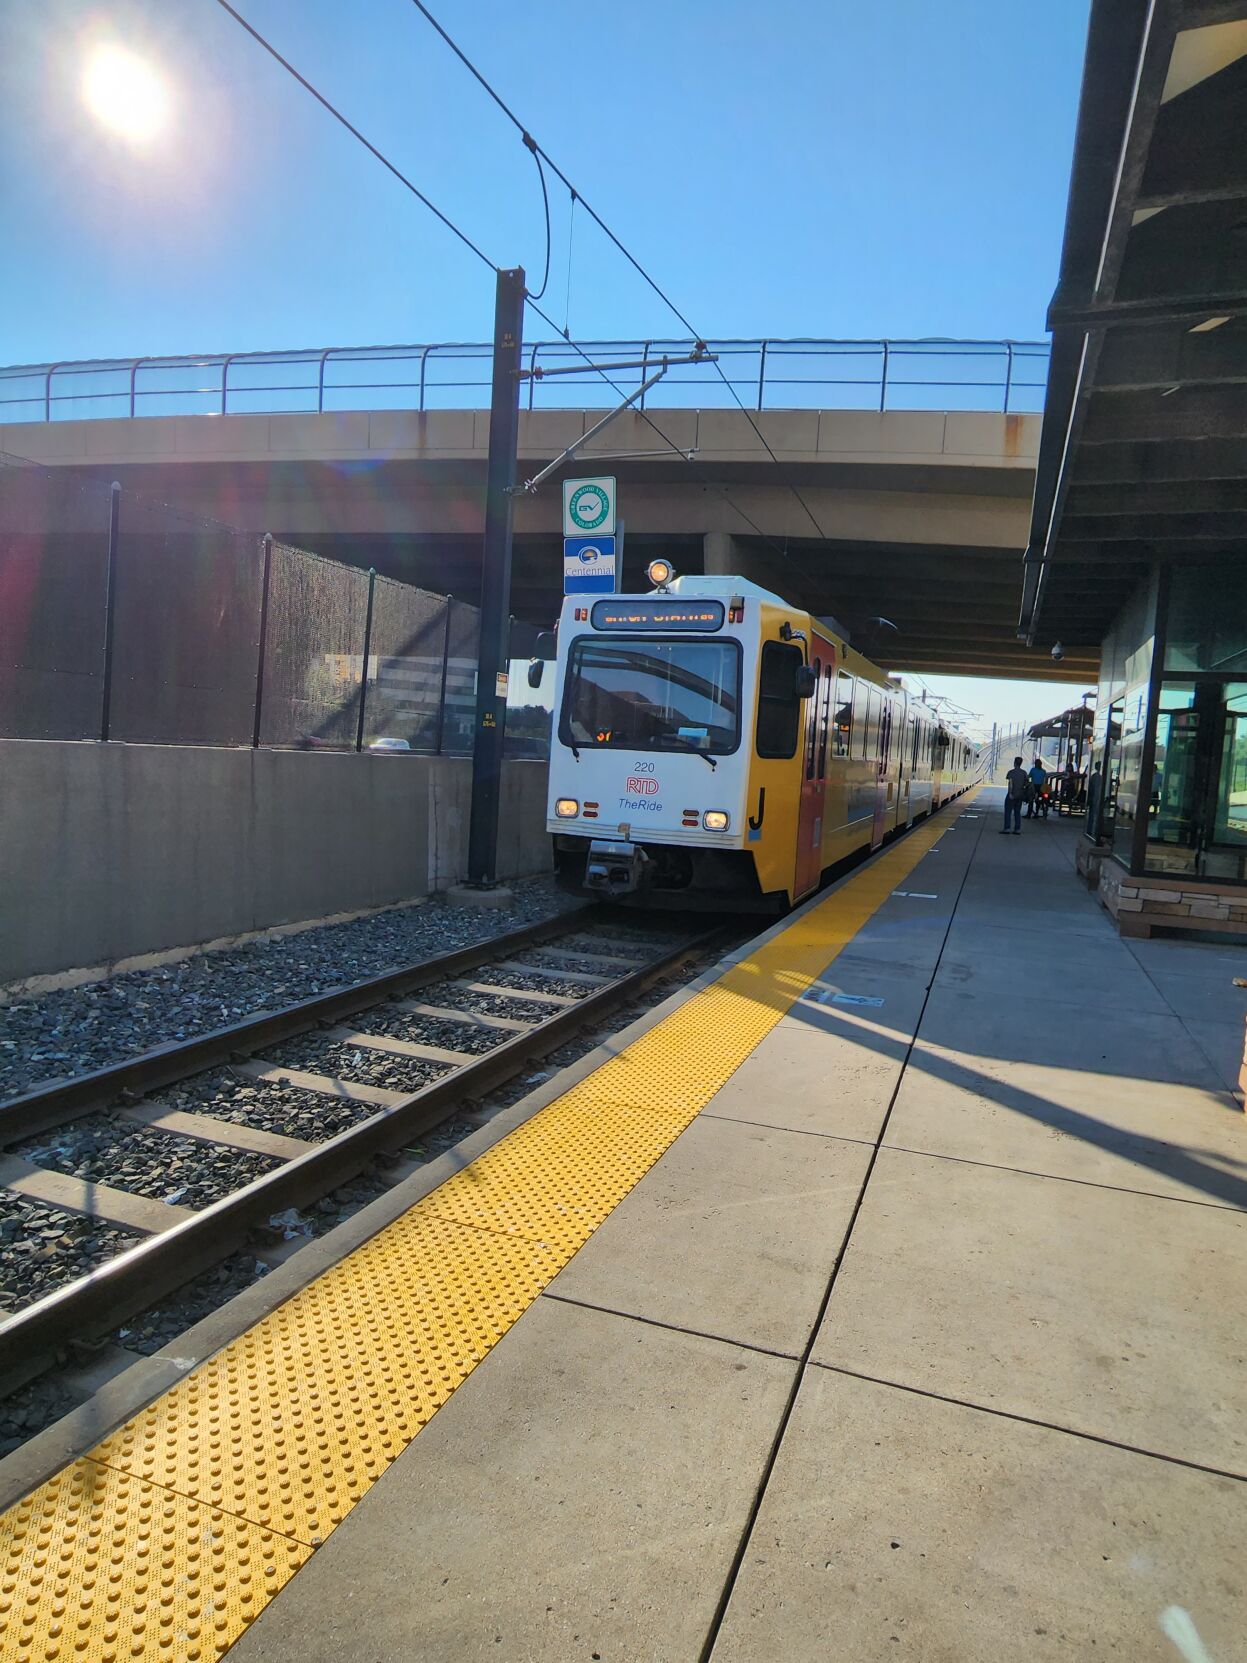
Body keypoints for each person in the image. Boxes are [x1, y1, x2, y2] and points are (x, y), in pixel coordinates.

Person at [1001, 755, 1027, 835]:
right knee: (1017, 812)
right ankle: (1017, 829)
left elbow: (1011, 784)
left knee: (1008, 811)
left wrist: (1010, 793)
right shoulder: (1024, 773)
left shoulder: (1011, 772)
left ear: (1015, 763)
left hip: (1012, 795)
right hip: (1020, 795)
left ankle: (1007, 828)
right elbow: (1026, 784)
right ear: (1021, 763)